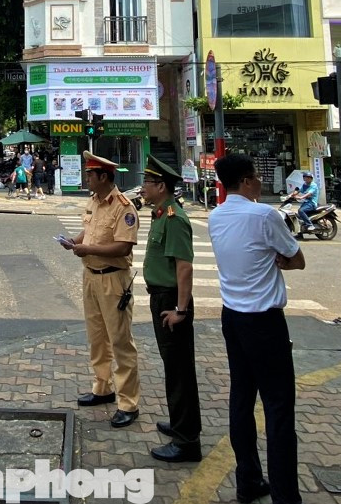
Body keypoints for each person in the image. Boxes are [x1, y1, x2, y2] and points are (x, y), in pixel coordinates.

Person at [209, 154, 305, 504]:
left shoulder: (216, 216)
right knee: (279, 407)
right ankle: (284, 494)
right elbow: (296, 257)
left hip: (232, 317)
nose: (261, 183)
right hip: (264, 322)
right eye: (257, 177)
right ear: (248, 180)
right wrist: (278, 260)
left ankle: (248, 478)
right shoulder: (264, 214)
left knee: (241, 398)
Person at [60, 151, 141, 428]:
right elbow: (90, 230)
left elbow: (123, 246)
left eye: (90, 174)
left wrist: (87, 248)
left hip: (113, 279)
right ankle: (102, 387)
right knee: (97, 336)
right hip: (90, 276)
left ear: (103, 176)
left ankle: (128, 402)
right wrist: (75, 241)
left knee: (120, 341)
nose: (87, 178)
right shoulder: (94, 201)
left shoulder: (123, 206)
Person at [141, 155, 202, 463]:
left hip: (171, 302)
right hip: (162, 298)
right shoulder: (161, 214)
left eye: (147, 182)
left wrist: (180, 308)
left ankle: (187, 441)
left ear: (161, 186)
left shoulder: (174, 218)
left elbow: (184, 268)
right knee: (173, 367)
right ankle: (181, 424)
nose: (142, 187)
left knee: (179, 371)